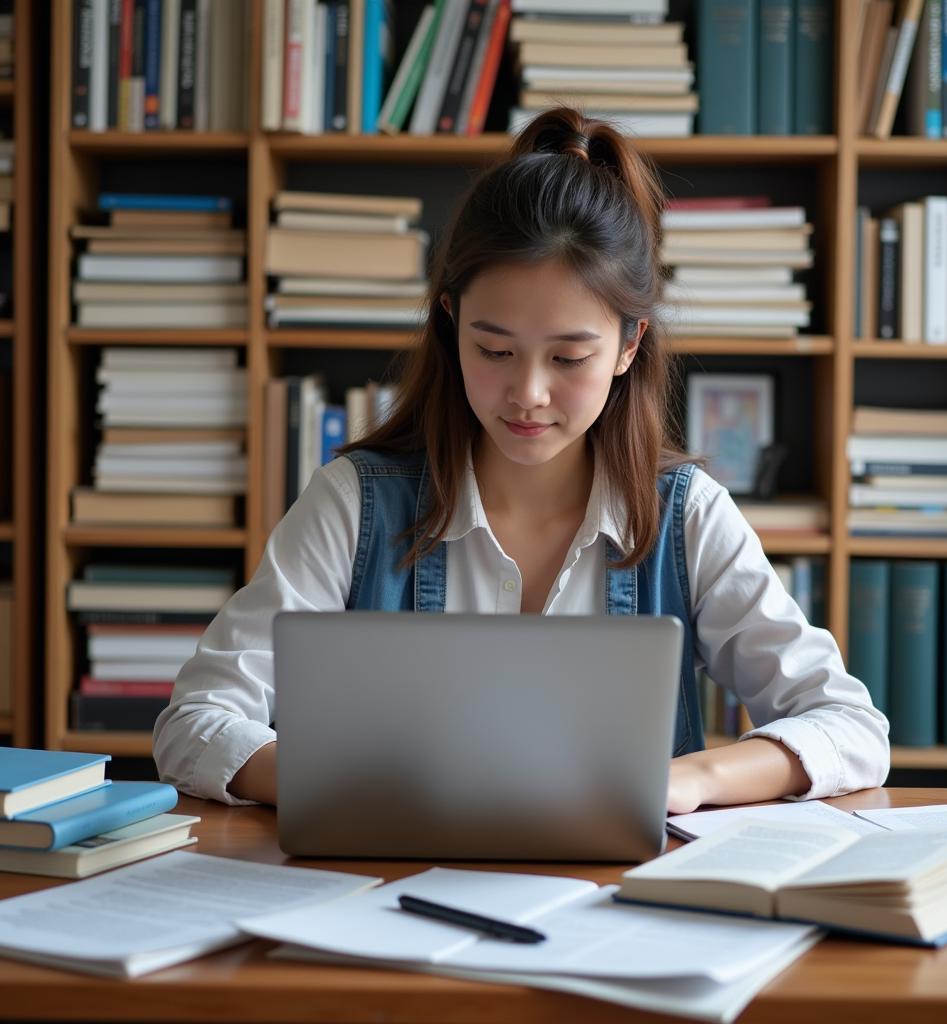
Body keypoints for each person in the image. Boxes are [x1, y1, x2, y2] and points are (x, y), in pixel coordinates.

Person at [153, 107, 889, 812]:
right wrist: (363, 788)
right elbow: (196, 724)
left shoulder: (685, 515)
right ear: (450, 323)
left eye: (569, 356)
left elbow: (851, 729)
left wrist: (688, 779)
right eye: (494, 350)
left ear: (630, 346)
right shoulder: (355, 503)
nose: (528, 394)